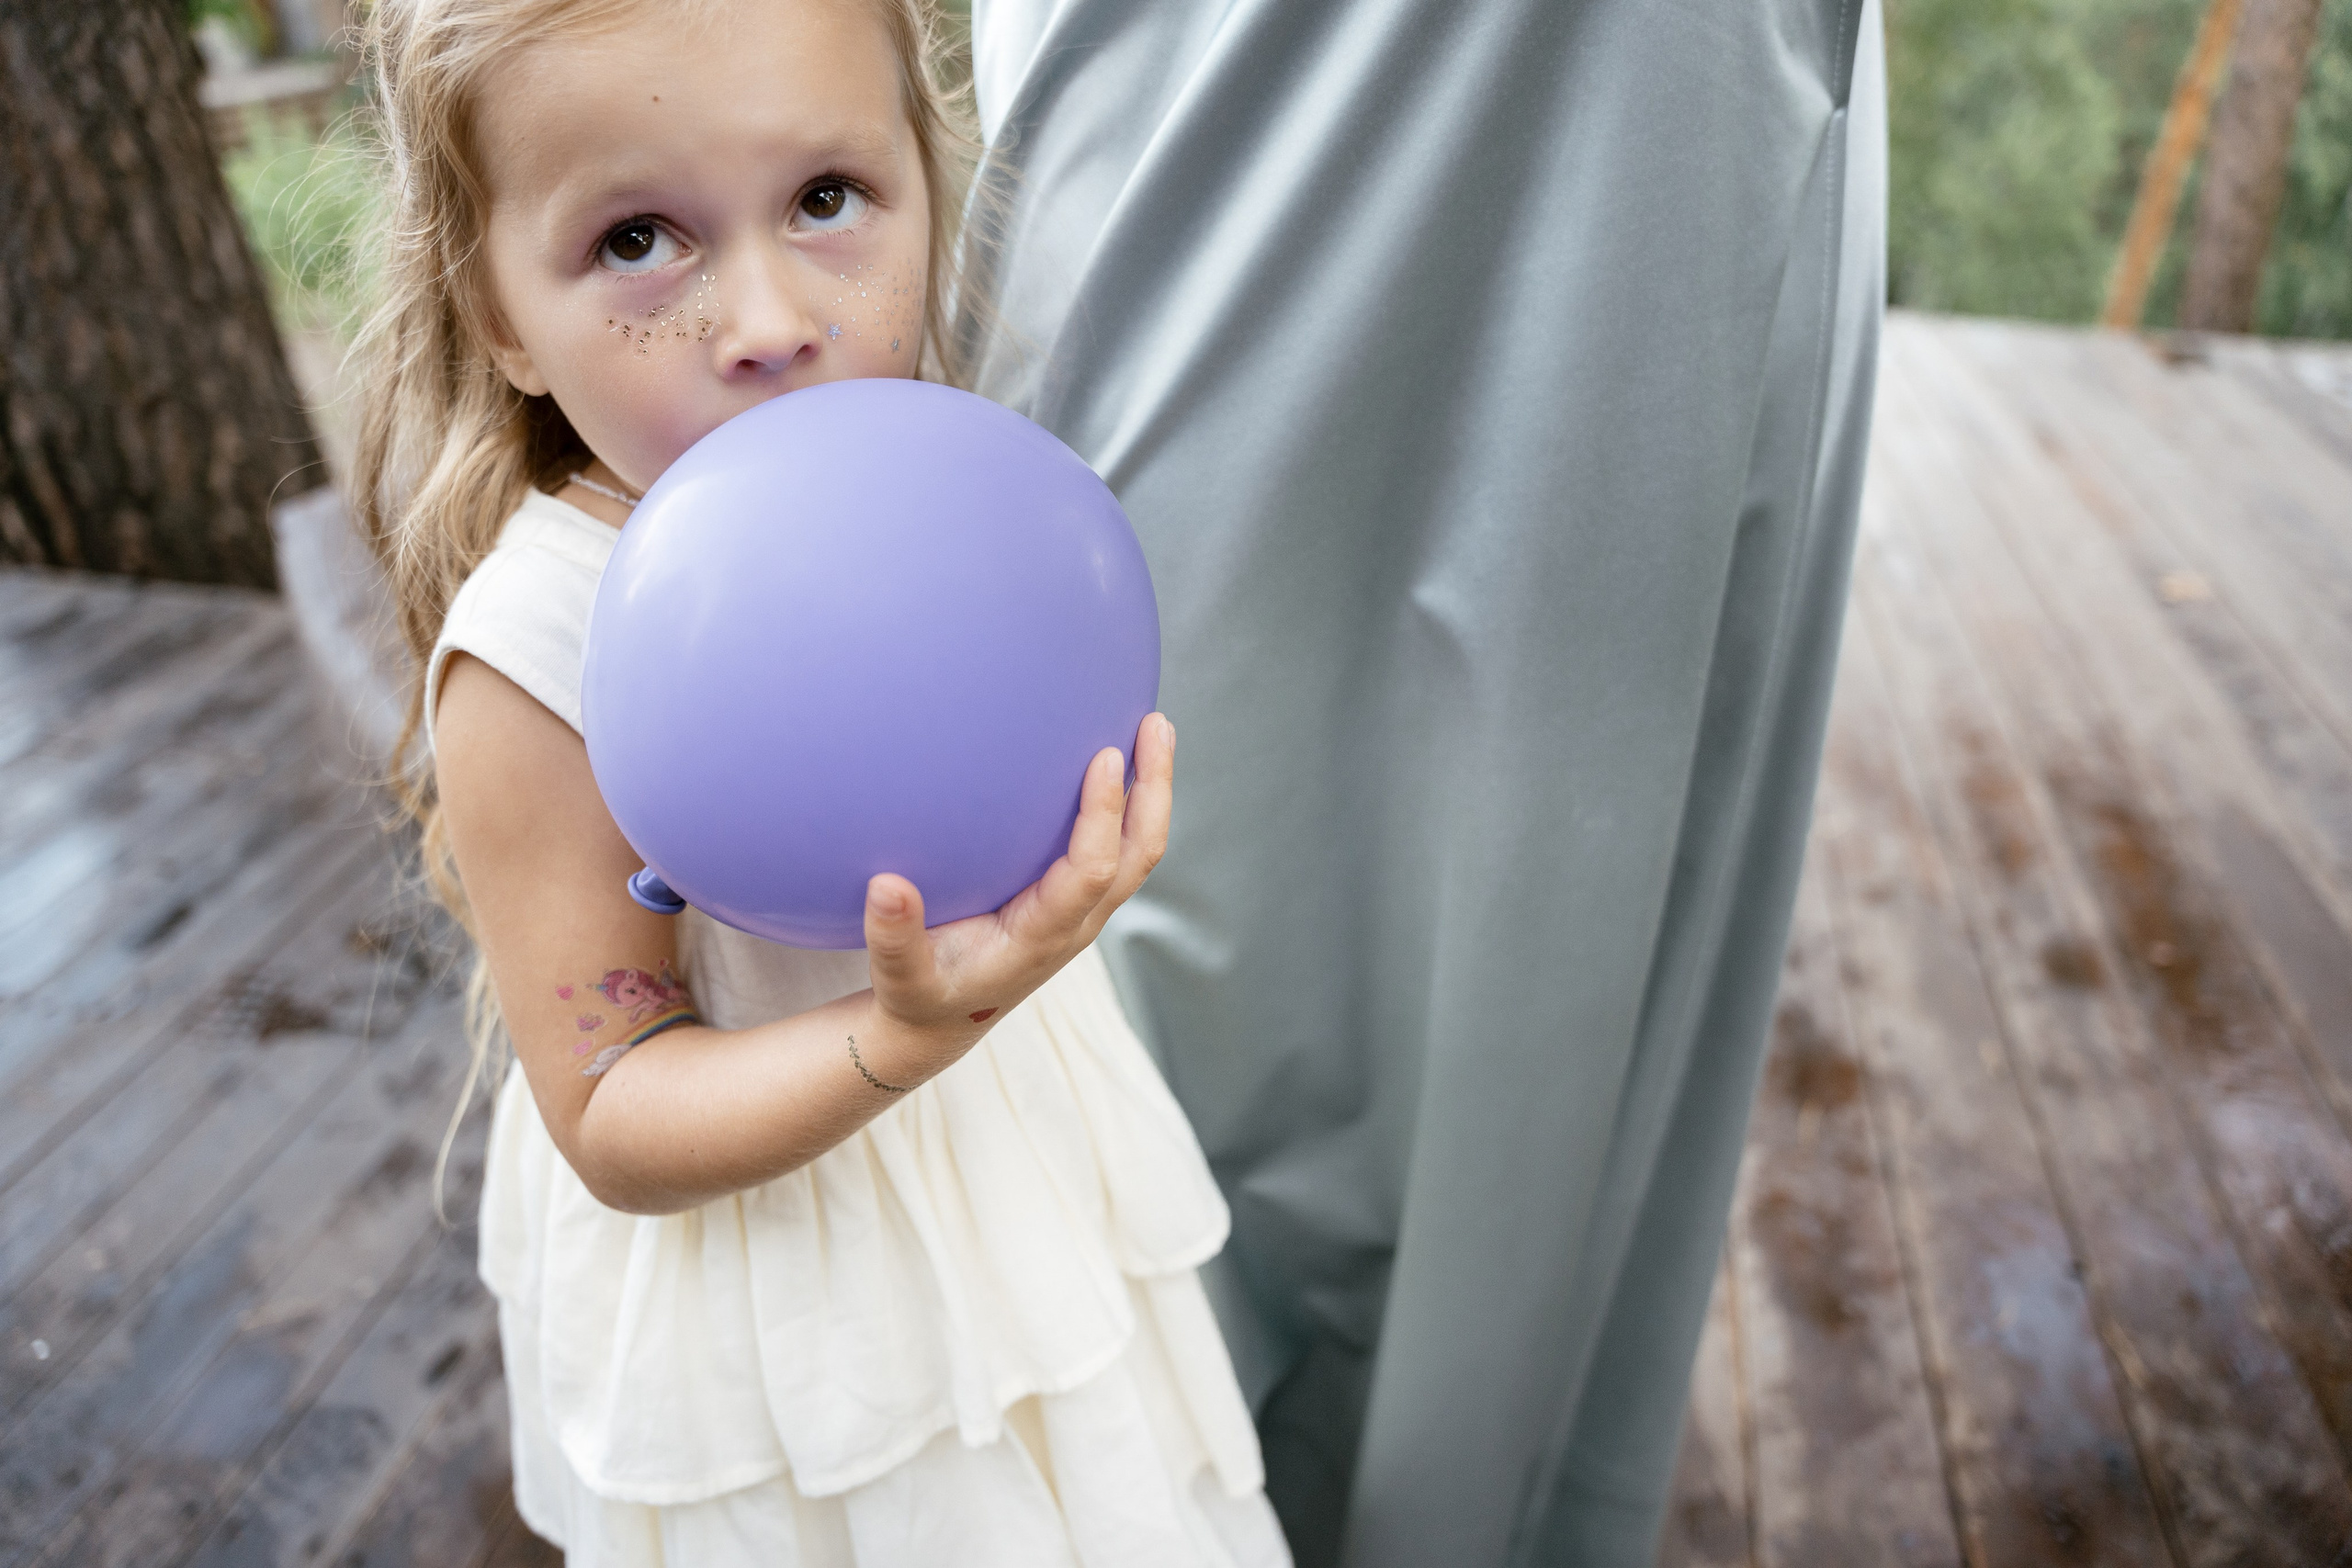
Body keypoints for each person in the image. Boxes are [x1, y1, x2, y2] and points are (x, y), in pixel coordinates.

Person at [352, 1, 1292, 1563]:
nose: (769, 320)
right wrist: (901, 1034)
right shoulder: (538, 652)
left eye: (827, 199)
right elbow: (612, 1104)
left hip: (997, 1163)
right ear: (497, 314)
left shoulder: (955, 494)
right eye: (639, 239)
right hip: (790, 1287)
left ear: (927, 188)